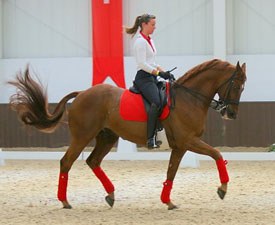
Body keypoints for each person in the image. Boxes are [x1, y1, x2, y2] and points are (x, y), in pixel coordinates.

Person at [125, 14, 172, 149]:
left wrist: (164, 73)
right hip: (143, 78)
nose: (155, 27)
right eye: (152, 24)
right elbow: (142, 63)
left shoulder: (149, 40)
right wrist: (158, 73)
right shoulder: (140, 42)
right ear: (144, 25)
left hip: (152, 77)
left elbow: (153, 62)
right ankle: (150, 138)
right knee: (156, 102)